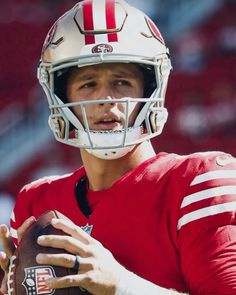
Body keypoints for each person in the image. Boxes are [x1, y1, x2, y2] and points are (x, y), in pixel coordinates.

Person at [1, 0, 236, 294]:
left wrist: (121, 285)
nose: (106, 98)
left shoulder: (198, 183)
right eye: (88, 84)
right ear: (60, 95)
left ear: (150, 89)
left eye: (122, 81)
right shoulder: (35, 202)